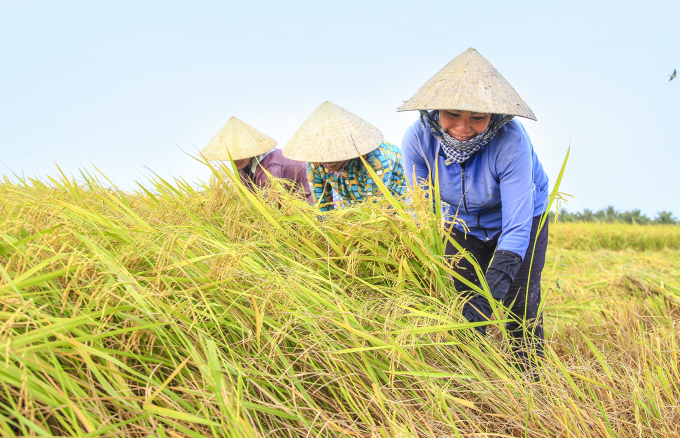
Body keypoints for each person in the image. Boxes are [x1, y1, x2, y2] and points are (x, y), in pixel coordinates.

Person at [399, 48, 550, 368]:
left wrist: (493, 290)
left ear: (494, 117)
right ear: (436, 110)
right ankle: (469, 377)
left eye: (477, 118)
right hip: (461, 221)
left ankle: (531, 381)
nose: (462, 127)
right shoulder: (417, 140)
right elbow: (422, 211)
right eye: (452, 114)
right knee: (465, 300)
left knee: (518, 304)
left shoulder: (511, 142)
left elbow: (516, 227)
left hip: (522, 218)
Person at [282, 101, 406, 211]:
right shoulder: (315, 164)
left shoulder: (376, 160)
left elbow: (375, 210)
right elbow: (322, 208)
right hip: (352, 204)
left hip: (395, 201)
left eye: (335, 154)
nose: (329, 161)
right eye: (325, 154)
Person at [201, 116, 312, 203]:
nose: (237, 159)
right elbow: (247, 196)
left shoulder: (269, 167)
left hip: (306, 201)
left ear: (250, 150)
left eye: (241, 154)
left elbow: (272, 205)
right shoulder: (243, 167)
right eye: (233, 156)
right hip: (288, 203)